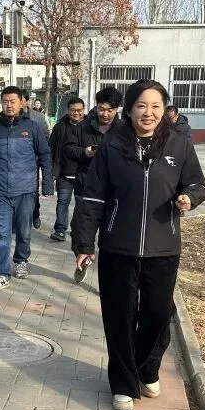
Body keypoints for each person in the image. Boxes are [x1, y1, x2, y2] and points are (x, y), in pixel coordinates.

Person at [72, 80, 205, 410]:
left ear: (165, 109)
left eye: (155, 106)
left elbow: (197, 182)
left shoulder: (179, 145)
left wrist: (190, 197)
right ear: (130, 109)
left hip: (164, 248)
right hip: (118, 247)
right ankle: (123, 382)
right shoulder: (112, 145)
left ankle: (146, 368)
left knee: (158, 313)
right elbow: (93, 197)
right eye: (141, 106)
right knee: (119, 316)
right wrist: (84, 243)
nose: (148, 113)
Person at [0, 86, 53, 292]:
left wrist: (47, 183)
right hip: (0, 191)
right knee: (1, 233)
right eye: (5, 101)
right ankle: (1, 273)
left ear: (21, 102)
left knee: (24, 231)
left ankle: (21, 260)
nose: (9, 105)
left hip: (26, 190)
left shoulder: (32, 127)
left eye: (13, 101)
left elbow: (45, 155)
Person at [65, 87, 124, 280]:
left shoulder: (123, 130)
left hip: (113, 191)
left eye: (110, 110)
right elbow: (68, 149)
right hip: (86, 187)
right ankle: (82, 258)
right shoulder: (83, 127)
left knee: (111, 236)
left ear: (117, 109)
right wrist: (85, 152)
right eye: (101, 109)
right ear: (96, 106)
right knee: (78, 230)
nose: (105, 114)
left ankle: (111, 279)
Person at [48, 97, 86, 242]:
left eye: (79, 110)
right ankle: (60, 230)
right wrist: (51, 170)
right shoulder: (60, 127)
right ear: (68, 110)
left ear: (83, 110)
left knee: (82, 205)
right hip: (64, 174)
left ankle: (79, 231)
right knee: (62, 202)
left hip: (84, 174)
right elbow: (51, 148)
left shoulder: (89, 127)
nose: (76, 113)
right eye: (73, 110)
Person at [23, 91, 50, 229]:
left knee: (33, 190)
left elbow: (46, 137)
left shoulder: (38, 117)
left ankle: (35, 213)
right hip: (15, 163)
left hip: (33, 161)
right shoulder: (7, 118)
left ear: (26, 101)